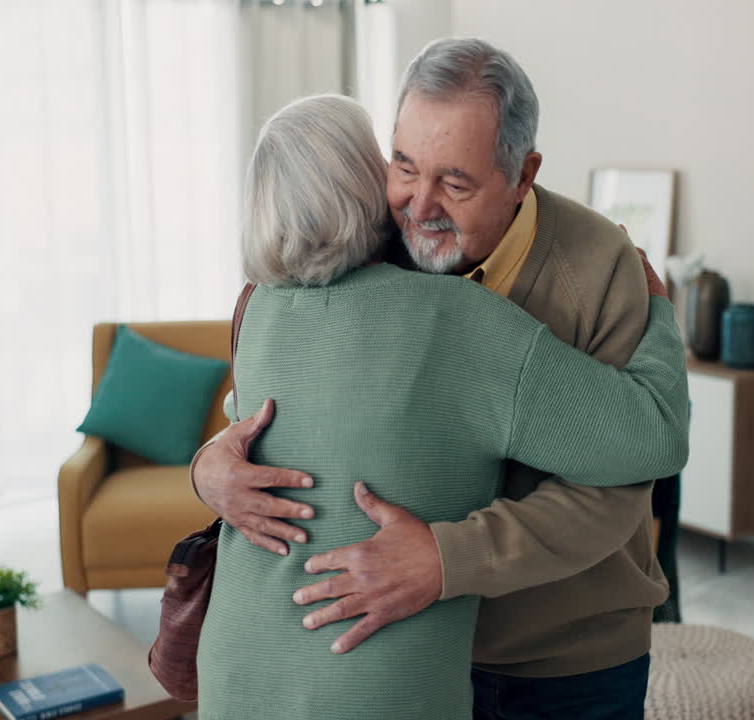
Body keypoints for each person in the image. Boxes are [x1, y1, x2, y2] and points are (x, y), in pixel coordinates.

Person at [194, 39, 676, 719]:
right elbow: (276, 413)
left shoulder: (601, 268)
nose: (419, 206)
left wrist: (446, 559)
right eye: (403, 165)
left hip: (565, 658)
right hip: (417, 653)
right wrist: (209, 467)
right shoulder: (377, 243)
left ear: (523, 173)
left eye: (455, 182)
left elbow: (626, 478)